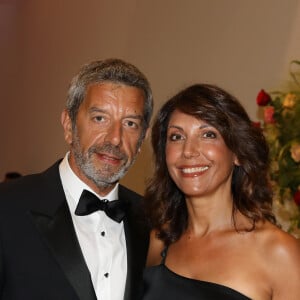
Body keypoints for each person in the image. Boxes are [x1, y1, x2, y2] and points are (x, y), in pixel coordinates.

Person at [0, 58, 153, 300]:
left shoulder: (155, 222)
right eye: (100, 118)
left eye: (130, 123)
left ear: (142, 140)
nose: (115, 139)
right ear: (69, 125)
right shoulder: (7, 207)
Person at [142, 84, 300, 300]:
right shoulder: (158, 241)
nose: (188, 151)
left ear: (237, 153)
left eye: (208, 134)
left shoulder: (280, 253)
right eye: (177, 137)